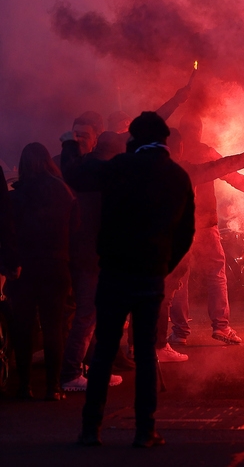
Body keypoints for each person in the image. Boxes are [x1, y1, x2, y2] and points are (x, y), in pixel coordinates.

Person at [62, 111, 195, 448]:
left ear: (133, 139)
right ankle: (145, 431)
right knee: (146, 353)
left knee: (105, 349)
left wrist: (70, 146)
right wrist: (163, 265)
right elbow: (186, 232)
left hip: (115, 271)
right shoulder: (178, 177)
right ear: (164, 140)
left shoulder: (121, 167)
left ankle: (90, 430)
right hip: (150, 275)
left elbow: (77, 176)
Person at [155, 128, 244, 362]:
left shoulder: (157, 165)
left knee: (176, 280)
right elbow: (230, 171)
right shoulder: (201, 156)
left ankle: (179, 332)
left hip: (175, 231)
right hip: (203, 224)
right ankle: (220, 326)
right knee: (215, 272)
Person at [1, 143, 79, 400]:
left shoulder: (15, 197)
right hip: (56, 266)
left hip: (24, 269)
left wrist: (11, 264)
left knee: (23, 327)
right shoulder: (64, 192)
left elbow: (8, 234)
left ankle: (24, 386)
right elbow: (75, 231)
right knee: (53, 326)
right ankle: (53, 387)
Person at [60, 132, 127, 392]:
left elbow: (69, 166)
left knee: (94, 316)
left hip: (82, 254)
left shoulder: (79, 171)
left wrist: (69, 144)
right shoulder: (113, 177)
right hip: (99, 257)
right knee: (88, 316)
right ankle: (70, 374)